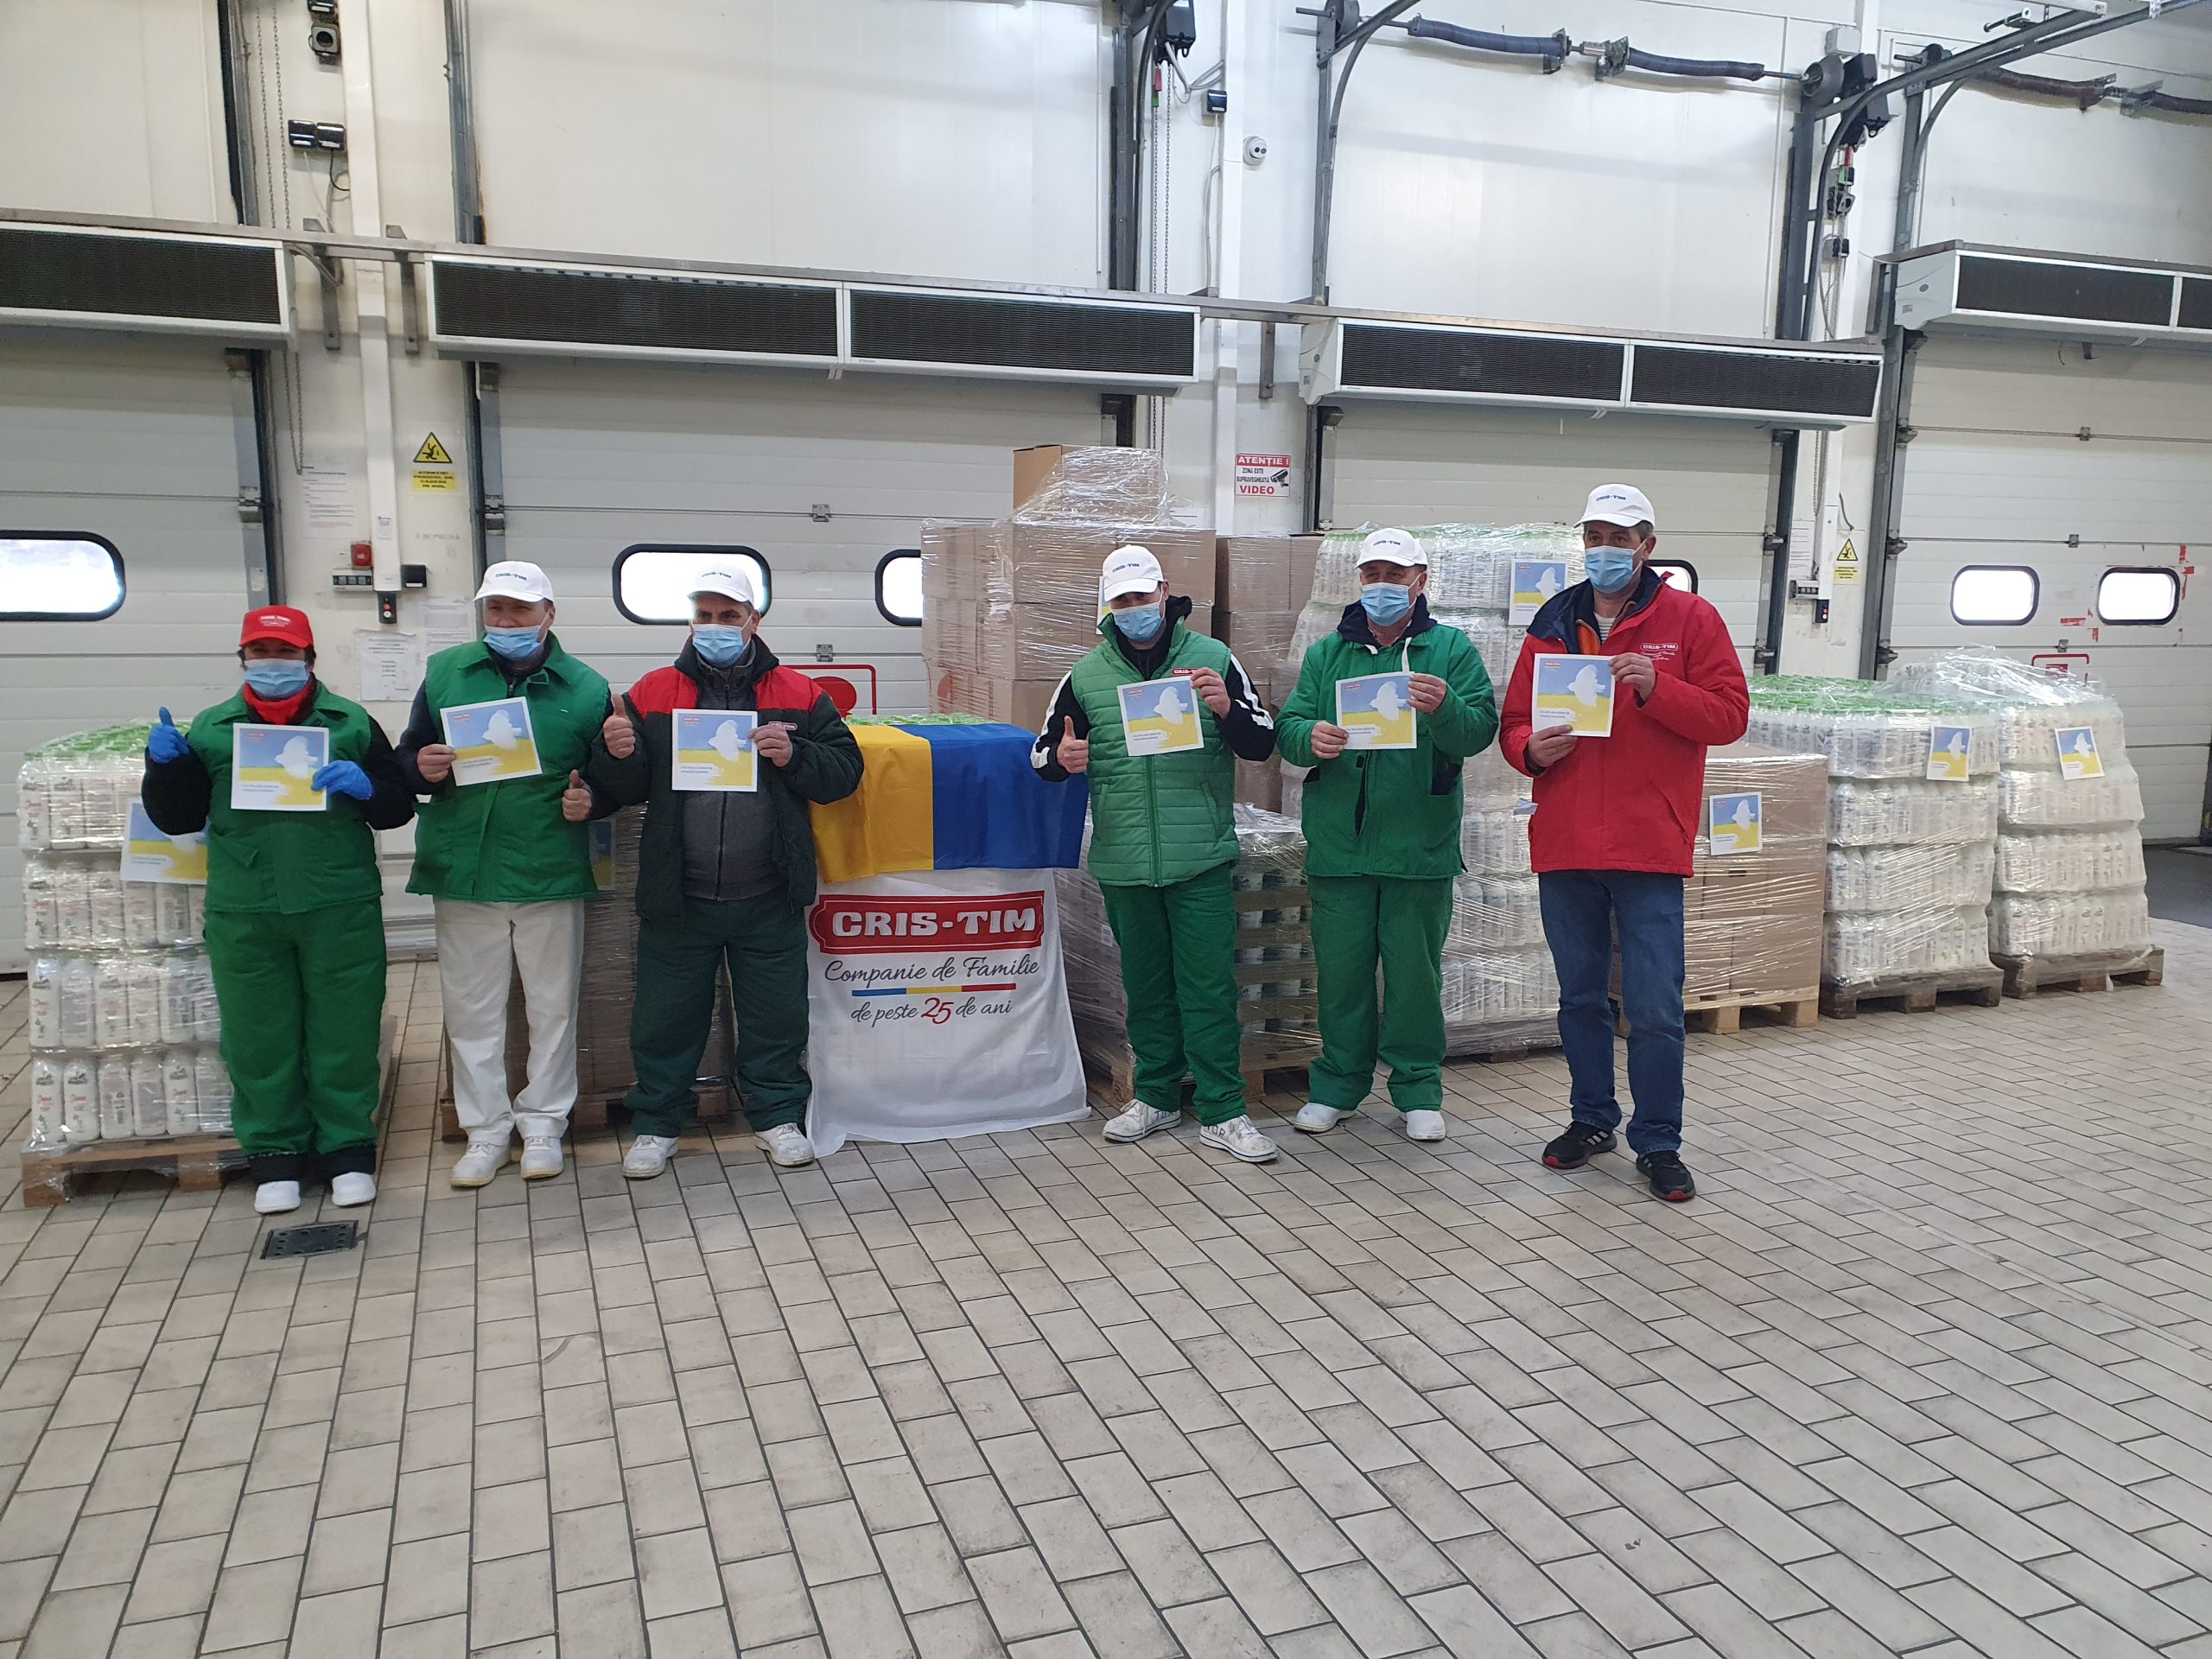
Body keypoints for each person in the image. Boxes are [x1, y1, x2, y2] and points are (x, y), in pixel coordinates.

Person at [1498, 485, 1749, 1202]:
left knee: (1655, 1005)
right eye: (1594, 535)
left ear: (1647, 545)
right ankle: (1591, 1120)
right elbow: (1514, 722)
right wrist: (1530, 751)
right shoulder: (1553, 621)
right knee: (1580, 998)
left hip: (1648, 845)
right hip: (1568, 839)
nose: (1604, 548)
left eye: (1619, 536)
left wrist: (1658, 687)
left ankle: (1659, 1141)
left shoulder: (1691, 619)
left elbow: (1730, 715)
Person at [587, 565, 862, 1178]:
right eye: (704, 615)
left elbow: (845, 773)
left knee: (775, 1017)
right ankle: (657, 1124)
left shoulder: (800, 693)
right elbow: (622, 787)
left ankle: (777, 1115)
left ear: (754, 621)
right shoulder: (654, 691)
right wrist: (617, 752)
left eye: (729, 616)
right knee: (664, 1018)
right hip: (679, 895)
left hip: (769, 891)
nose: (715, 626)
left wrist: (795, 753)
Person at [141, 606, 414, 1215]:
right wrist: (164, 768)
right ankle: (276, 1155)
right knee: (258, 1036)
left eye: (286, 652)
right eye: (260, 652)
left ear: (310, 658)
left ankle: (348, 1150)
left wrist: (368, 787)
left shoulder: (350, 724)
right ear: (242, 659)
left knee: (345, 1031)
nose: (273, 663)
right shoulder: (212, 730)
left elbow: (398, 808)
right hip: (246, 908)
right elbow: (178, 819)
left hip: (337, 904)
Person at [1032, 544, 1281, 1162]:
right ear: (1107, 606)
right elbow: (1041, 755)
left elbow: (1262, 742)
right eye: (1122, 600)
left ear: (1164, 592)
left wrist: (1224, 708)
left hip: (1199, 856)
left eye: (1143, 596)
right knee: (1144, 988)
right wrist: (1061, 759)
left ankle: (1224, 1110)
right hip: (1124, 859)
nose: (1135, 608)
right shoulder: (1084, 677)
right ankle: (1156, 1095)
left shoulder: (1214, 660)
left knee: (1208, 988)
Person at [395, 562, 617, 1189]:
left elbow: (612, 779)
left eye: (520, 609)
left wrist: (593, 799)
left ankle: (544, 1125)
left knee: (553, 1009)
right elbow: (407, 755)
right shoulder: (446, 674)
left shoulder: (586, 687)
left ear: (549, 614)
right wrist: (420, 767)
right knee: (472, 1012)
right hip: (464, 868)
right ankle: (486, 1131)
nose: (507, 621)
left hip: (547, 867)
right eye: (496, 609)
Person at [1274, 528, 1497, 1143]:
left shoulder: (1449, 651)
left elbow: (1479, 731)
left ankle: (1418, 1089)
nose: (1382, 586)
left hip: (1417, 846)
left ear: (1420, 582)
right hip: (1340, 847)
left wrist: (1446, 708)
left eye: (1395, 575)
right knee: (1341, 978)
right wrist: (1309, 738)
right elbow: (1289, 726)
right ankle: (1337, 1087)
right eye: (1372, 574)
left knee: (1414, 979)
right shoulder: (1328, 654)